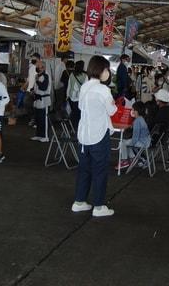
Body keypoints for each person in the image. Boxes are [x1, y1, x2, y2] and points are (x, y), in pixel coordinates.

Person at [72, 55, 117, 217]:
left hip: (84, 136)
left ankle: (79, 201)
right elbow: (112, 111)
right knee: (100, 170)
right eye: (106, 69)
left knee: (84, 170)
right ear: (100, 70)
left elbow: (80, 106)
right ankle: (98, 206)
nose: (108, 72)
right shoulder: (103, 90)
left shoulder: (85, 87)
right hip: (99, 135)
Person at [115, 101, 151, 169]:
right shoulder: (141, 119)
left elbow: (135, 136)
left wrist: (132, 143)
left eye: (133, 109)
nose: (132, 111)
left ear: (136, 111)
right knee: (127, 143)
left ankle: (124, 161)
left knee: (122, 142)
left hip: (141, 142)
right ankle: (133, 159)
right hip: (146, 141)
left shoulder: (137, 121)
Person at [31, 60, 51, 142]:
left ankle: (45, 136)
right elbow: (36, 86)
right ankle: (38, 135)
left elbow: (44, 87)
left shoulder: (46, 76)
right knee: (38, 119)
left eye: (39, 67)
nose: (37, 68)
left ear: (43, 68)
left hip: (44, 100)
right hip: (37, 100)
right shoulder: (37, 76)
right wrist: (32, 90)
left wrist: (37, 81)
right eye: (37, 66)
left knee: (43, 119)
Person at [67, 60, 87, 127]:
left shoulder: (72, 74)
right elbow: (86, 88)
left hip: (72, 96)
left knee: (73, 113)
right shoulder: (85, 75)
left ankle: (73, 126)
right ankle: (78, 127)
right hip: (80, 98)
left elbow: (69, 85)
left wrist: (67, 95)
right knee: (79, 114)